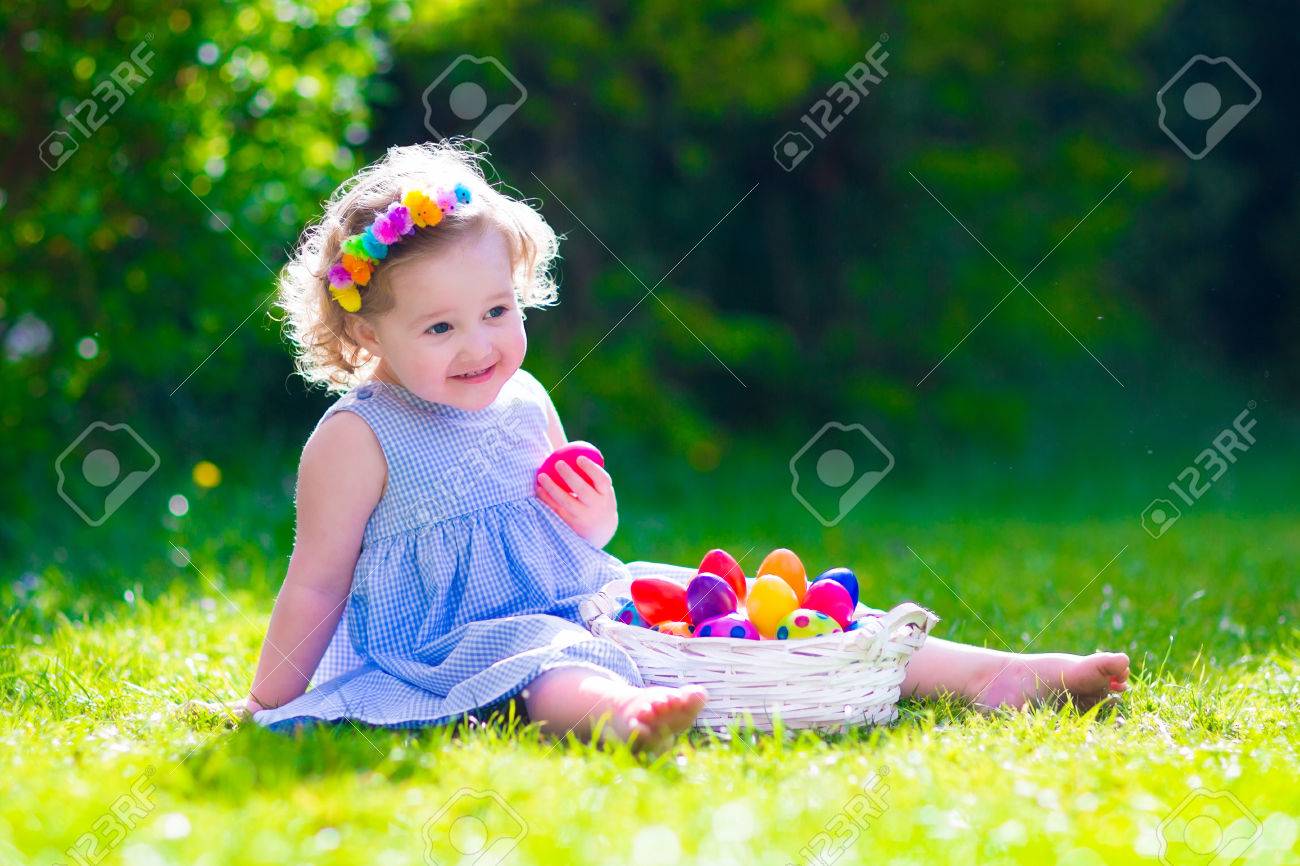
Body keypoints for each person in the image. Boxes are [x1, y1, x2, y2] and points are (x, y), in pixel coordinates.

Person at [191, 141, 1128, 753]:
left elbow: (574, 532)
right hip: (453, 639)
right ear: (365, 336)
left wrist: (596, 520)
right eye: (439, 329)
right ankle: (620, 717)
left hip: (576, 591)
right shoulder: (359, 437)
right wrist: (271, 700)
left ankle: (990, 672)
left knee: (703, 600)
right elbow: (316, 581)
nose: (480, 345)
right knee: (544, 661)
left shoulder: (521, 396)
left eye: (497, 311)